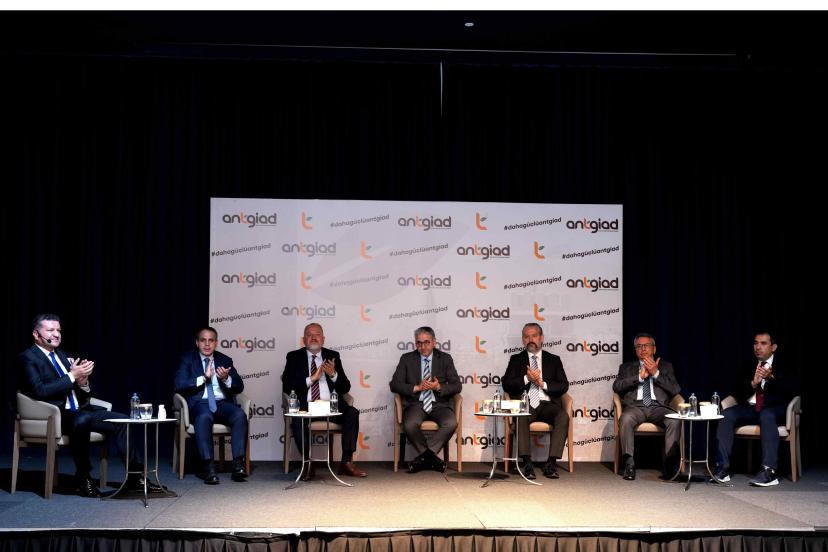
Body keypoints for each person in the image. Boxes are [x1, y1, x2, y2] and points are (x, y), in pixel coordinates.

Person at [18, 314, 161, 497]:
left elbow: (82, 393)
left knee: (123, 421)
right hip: (53, 416)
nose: (56, 334)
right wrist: (72, 376)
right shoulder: (28, 358)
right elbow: (40, 391)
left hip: (79, 411)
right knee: (82, 418)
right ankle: (83, 476)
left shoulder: (64, 355)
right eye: (50, 330)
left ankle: (135, 477)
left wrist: (83, 382)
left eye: (58, 330)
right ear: (36, 334)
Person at [281, 323, 366, 480]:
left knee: (352, 413)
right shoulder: (293, 357)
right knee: (297, 419)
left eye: (317, 334)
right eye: (309, 335)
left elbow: (345, 387)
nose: (314, 337)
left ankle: (347, 462)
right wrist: (312, 379)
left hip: (330, 406)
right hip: (306, 406)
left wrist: (333, 374)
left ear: (323, 339)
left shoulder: (333, 356)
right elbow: (287, 385)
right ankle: (308, 464)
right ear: (304, 340)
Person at [714, 331, 799, 487]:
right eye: (755, 343)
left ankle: (769, 471)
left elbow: (793, 390)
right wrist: (753, 383)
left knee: (766, 415)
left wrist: (771, 378)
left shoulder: (784, 364)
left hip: (775, 409)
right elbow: (736, 391)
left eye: (763, 343)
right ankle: (722, 468)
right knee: (726, 415)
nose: (758, 347)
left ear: (773, 347)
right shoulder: (748, 364)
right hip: (751, 408)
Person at [174, 326, 248, 484]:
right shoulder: (188, 359)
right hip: (200, 404)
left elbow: (239, 386)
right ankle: (208, 467)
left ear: (216, 343)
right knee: (204, 417)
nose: (207, 344)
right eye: (203, 340)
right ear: (197, 343)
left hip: (221, 404)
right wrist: (203, 378)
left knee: (239, 415)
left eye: (211, 340)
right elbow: (179, 385)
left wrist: (226, 379)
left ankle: (237, 465)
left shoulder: (225, 360)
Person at [501, 323, 569, 479]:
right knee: (522, 415)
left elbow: (563, 385)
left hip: (547, 404)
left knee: (563, 416)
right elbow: (507, 385)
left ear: (541, 338)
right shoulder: (516, 359)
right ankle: (527, 463)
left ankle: (551, 463)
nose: (530, 339)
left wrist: (542, 384)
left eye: (534, 336)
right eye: (526, 336)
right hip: (527, 403)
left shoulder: (554, 360)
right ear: (523, 340)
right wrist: (527, 378)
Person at [389, 326, 462, 473]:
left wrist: (438, 387)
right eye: (419, 343)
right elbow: (394, 384)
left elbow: (457, 386)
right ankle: (432, 459)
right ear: (415, 343)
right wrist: (416, 388)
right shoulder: (406, 359)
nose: (423, 347)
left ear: (434, 342)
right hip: (416, 404)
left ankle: (423, 458)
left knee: (451, 423)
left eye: (427, 342)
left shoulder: (445, 359)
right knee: (409, 424)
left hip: (439, 404)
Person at [612, 332, 681, 481]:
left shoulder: (666, 367)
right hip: (635, 407)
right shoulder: (626, 367)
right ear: (635, 350)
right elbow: (617, 386)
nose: (643, 349)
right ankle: (629, 464)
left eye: (646, 345)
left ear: (654, 349)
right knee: (625, 419)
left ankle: (670, 466)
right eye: (639, 346)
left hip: (658, 408)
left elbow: (675, 389)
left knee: (674, 420)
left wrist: (656, 373)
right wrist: (638, 377)